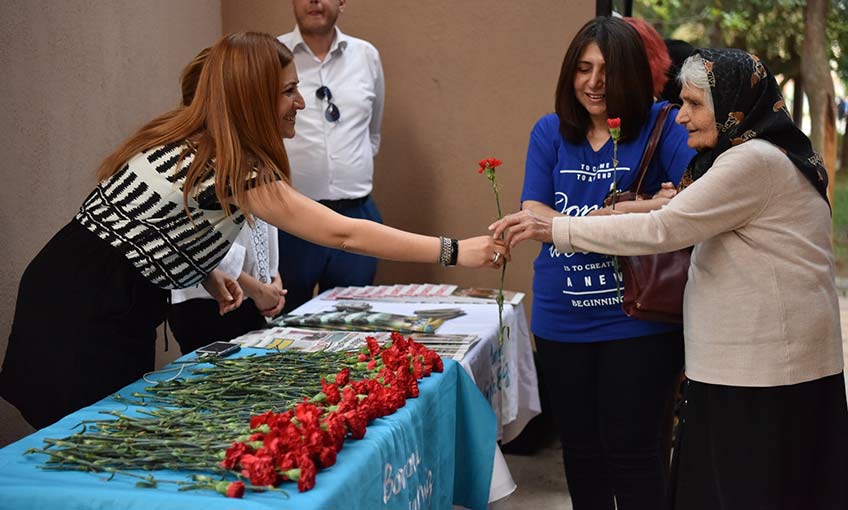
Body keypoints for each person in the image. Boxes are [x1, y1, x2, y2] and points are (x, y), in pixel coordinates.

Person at [0, 32, 506, 429]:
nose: (300, 104)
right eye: (288, 91)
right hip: (80, 312)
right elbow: (343, 233)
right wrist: (454, 250)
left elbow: (158, 226)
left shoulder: (201, 139)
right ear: (252, 97)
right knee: (87, 442)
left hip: (86, 290)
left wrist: (209, 271)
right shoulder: (232, 161)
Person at [492, 48, 847, 510]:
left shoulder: (751, 163)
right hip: (761, 367)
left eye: (696, 104)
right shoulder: (755, 155)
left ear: (735, 105)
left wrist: (555, 228)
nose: (681, 117)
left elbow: (664, 227)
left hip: (765, 373)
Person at [517, 16, 695, 510]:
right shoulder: (550, 131)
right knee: (581, 451)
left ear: (633, 75)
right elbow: (533, 209)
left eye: (607, 71)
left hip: (636, 318)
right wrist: (639, 209)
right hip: (561, 317)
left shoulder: (663, 123)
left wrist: (618, 213)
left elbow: (694, 200)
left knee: (634, 451)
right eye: (583, 69)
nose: (594, 83)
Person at [168, 48, 287, 354]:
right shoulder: (193, 161)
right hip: (211, 300)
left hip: (254, 294)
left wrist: (272, 276)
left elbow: (263, 225)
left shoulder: (250, 153)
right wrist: (257, 288)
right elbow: (201, 242)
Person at [276, 0, 385, 313]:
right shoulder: (274, 54)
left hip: (356, 213)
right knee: (283, 326)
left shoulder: (366, 55)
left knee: (353, 322)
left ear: (342, 2)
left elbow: (372, 132)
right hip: (290, 220)